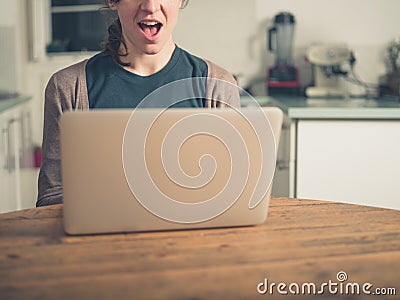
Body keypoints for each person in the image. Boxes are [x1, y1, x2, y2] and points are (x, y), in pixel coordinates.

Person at [37, 0, 240, 207]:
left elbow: (233, 193)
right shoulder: (68, 87)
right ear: (112, 2)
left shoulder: (218, 85)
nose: (151, 7)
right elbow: (52, 198)